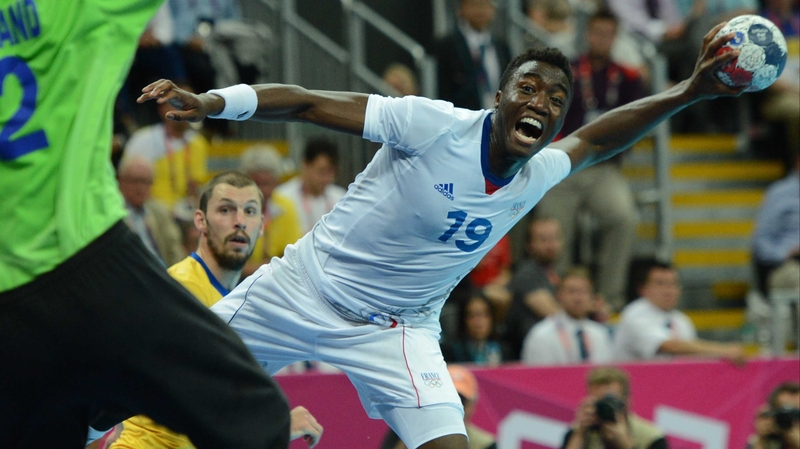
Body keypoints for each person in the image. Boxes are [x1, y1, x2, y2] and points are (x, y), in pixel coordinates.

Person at [139, 24, 747, 448]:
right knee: (147, 373)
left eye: (556, 99)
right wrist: (213, 101)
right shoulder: (432, 124)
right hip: (302, 287)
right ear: (501, 96)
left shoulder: (534, 175)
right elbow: (306, 104)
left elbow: (602, 137)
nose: (541, 102)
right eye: (528, 88)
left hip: (398, 332)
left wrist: (690, 90)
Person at [0, 2, 289, 448]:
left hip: (12, 287)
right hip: (83, 249)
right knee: (252, 409)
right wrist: (213, 100)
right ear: (202, 219)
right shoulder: (75, 9)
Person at [109, 171, 323, 448]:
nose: (239, 222)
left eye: (250, 211)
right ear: (201, 221)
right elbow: (196, 396)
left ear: (261, 225)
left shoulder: (240, 301)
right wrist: (274, 426)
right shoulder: (182, 288)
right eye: (226, 210)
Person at [535, 9, 644, 311]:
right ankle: (559, 300)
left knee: (623, 216)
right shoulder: (565, 72)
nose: (602, 39)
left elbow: (638, 119)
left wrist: (615, 150)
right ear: (587, 34)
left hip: (603, 165)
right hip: (563, 165)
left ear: (615, 38)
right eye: (597, 33)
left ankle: (609, 300)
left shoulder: (626, 76)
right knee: (552, 230)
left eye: (608, 34)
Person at [612, 260, 746, 363]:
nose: (668, 290)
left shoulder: (681, 320)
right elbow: (670, 346)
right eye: (660, 284)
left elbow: (691, 354)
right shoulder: (635, 314)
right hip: (637, 385)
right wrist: (724, 350)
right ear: (643, 289)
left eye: (673, 284)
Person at [124, 87, 210, 208]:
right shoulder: (143, 139)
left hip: (185, 212)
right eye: (177, 105)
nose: (184, 110)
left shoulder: (198, 143)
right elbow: (128, 184)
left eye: (188, 105)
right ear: (162, 108)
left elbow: (196, 187)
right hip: (152, 210)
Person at [380, 365, 497, 449]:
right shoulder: (403, 433)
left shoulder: (487, 444)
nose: (454, 410)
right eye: (450, 401)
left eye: (461, 401)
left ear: (471, 405)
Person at [521, 267, 613, 365]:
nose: (578, 298)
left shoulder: (600, 334)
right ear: (559, 296)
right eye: (571, 291)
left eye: (583, 292)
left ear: (592, 296)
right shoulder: (542, 335)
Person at [433, 0, 513, 110]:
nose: (480, 10)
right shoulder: (447, 46)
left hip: (497, 117)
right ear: (461, 9)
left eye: (485, 5)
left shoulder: (502, 47)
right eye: (475, 4)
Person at [503, 216, 564, 360]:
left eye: (554, 238)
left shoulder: (557, 275)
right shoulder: (526, 275)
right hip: (526, 356)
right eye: (543, 240)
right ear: (529, 245)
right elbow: (556, 315)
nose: (550, 245)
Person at [239, 144, 304, 277]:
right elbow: (232, 265)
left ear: (277, 182)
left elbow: (293, 259)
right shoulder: (235, 209)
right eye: (257, 183)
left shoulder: (286, 207)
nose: (262, 190)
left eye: (267, 183)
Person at [562, 367, 667, 449]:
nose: (604, 407)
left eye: (610, 401)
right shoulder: (578, 432)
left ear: (627, 401)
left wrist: (626, 445)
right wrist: (579, 434)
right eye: (599, 402)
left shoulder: (650, 437)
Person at [117, 156, 186, 267]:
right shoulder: (114, 214)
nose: (140, 187)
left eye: (145, 182)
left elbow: (174, 249)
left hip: (161, 272)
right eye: (135, 181)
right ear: (121, 181)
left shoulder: (160, 212)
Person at [275, 138, 346, 234]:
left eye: (331, 172)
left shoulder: (341, 199)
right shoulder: (283, 197)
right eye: (322, 171)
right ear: (305, 165)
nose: (327, 178)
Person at [441, 293, 510, 366]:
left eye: (483, 314)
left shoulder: (504, 350)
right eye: (472, 315)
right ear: (463, 320)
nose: (478, 322)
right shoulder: (451, 351)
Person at [747, 382, 800, 449]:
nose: (788, 418)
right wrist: (761, 439)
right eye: (783, 411)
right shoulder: (764, 440)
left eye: (795, 412)